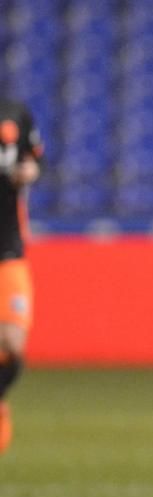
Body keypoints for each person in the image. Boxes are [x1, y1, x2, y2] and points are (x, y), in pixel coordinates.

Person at [0, 98, 43, 455]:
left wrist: (29, 171)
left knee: (13, 345)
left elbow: (35, 159)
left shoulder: (14, 112)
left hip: (8, 250)